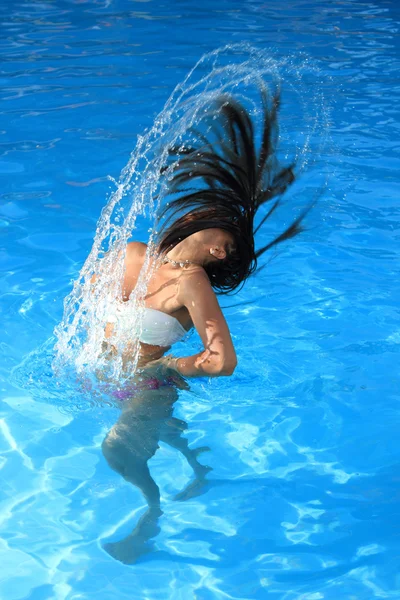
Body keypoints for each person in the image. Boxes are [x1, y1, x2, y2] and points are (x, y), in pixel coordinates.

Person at [100, 90, 308, 563]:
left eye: (215, 226)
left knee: (119, 451)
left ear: (219, 251)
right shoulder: (132, 255)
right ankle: (198, 464)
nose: (198, 216)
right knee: (155, 432)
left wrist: (169, 365)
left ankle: (149, 516)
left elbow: (222, 361)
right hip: (106, 375)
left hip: (150, 383)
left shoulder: (192, 282)